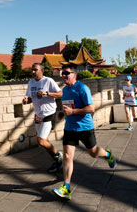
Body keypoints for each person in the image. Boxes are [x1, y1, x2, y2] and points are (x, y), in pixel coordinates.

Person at [52, 64, 116, 200]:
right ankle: (66, 188)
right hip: (70, 128)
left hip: (85, 128)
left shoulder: (82, 88)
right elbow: (68, 108)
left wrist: (73, 112)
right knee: (68, 157)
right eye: (62, 73)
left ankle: (108, 154)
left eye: (66, 73)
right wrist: (62, 114)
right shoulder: (65, 91)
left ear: (74, 75)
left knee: (93, 153)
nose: (63, 76)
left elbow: (91, 108)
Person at [22, 63, 63, 173]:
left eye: (35, 70)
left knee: (41, 141)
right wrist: (26, 101)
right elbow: (29, 98)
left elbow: (60, 94)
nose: (33, 72)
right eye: (32, 70)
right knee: (44, 141)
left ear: (42, 70)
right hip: (38, 114)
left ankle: (59, 156)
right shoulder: (31, 83)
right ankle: (56, 158)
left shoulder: (48, 81)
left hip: (49, 113)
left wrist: (47, 93)